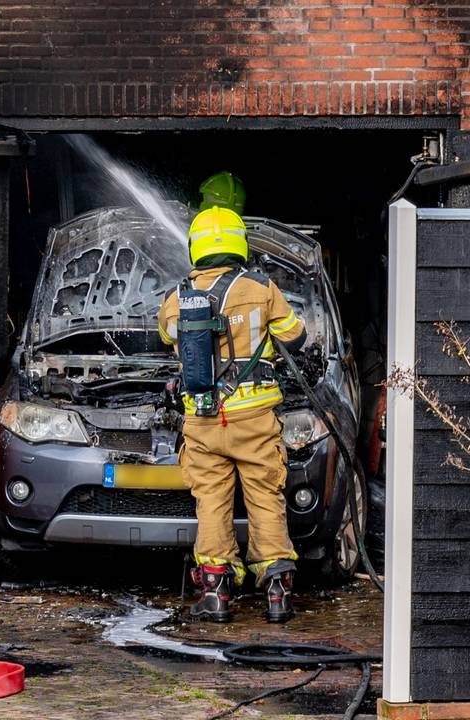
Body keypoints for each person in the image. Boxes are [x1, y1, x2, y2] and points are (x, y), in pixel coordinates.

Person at [157, 205, 307, 623]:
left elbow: (166, 335)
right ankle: (277, 595)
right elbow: (296, 337)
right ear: (239, 244)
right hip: (256, 419)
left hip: (203, 421)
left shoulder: (176, 298)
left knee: (211, 503)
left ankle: (216, 596)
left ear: (196, 247)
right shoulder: (262, 288)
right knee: (265, 498)